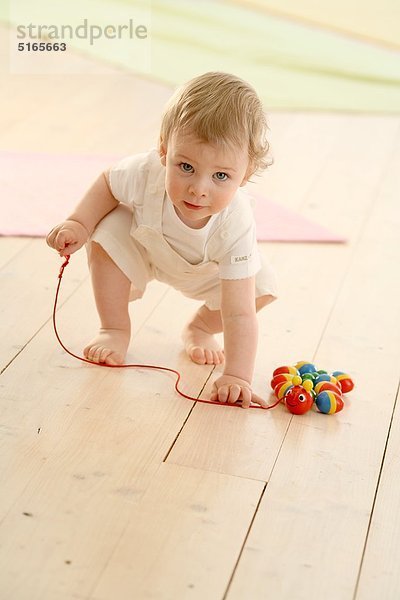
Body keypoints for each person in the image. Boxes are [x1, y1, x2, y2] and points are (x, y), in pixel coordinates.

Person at [47, 71, 277, 408]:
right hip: (146, 247)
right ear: (164, 150)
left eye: (221, 176)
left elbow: (240, 314)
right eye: (185, 166)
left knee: (261, 287)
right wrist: (79, 223)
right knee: (108, 227)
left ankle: (199, 327)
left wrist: (237, 376)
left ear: (247, 173)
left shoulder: (236, 223)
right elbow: (108, 183)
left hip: (209, 272)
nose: (199, 188)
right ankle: (114, 329)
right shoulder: (144, 172)